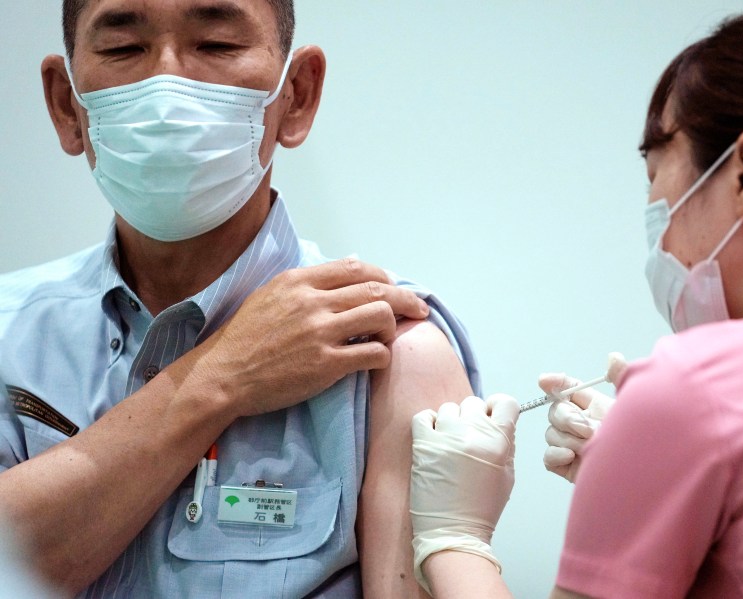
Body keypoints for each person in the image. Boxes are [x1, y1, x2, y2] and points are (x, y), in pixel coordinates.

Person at [408, 0, 743, 597]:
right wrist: (648, 477)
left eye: (656, 175)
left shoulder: (700, 387)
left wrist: (455, 536)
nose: (652, 217)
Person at [0, 1, 478, 597]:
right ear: (67, 105)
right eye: (124, 49)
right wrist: (222, 373)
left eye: (217, 44)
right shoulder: (8, 338)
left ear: (296, 95)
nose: (167, 84)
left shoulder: (387, 346)